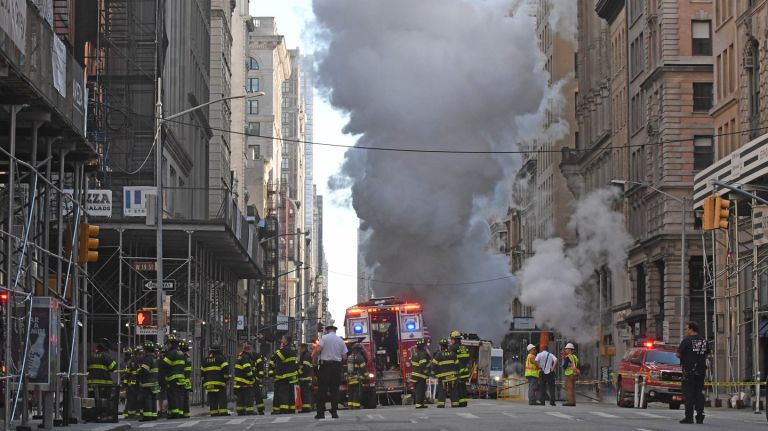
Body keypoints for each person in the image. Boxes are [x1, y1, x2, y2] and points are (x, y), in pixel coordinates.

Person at [312, 324, 348, 419]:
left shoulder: (324, 338)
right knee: (334, 390)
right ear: (335, 331)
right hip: (336, 367)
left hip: (325, 366)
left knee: (322, 390)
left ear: (327, 330)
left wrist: (314, 358)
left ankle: (321, 413)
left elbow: (318, 350)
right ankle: (334, 412)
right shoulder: (340, 340)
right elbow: (344, 356)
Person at [676, 321, 708, 424]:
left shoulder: (686, 341)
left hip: (689, 371)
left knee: (688, 395)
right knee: (699, 393)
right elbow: (706, 353)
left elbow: (678, 354)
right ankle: (700, 415)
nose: (685, 331)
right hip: (701, 371)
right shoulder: (704, 341)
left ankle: (689, 417)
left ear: (691, 329)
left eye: (686, 329)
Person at [87, 338, 117, 422]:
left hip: (91, 383)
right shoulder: (105, 356)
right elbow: (113, 367)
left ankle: (93, 416)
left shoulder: (91, 356)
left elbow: (87, 368)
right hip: (103, 384)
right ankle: (102, 415)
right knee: (104, 401)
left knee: (93, 400)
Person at [269, 335, 298, 415]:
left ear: (286, 341)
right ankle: (291, 409)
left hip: (284, 377)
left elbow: (276, 357)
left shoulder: (285, 350)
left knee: (283, 394)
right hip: (290, 377)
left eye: (282, 339)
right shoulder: (292, 349)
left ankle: (283, 410)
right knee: (290, 394)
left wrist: (279, 349)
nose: (281, 340)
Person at [160, 336, 187, 419]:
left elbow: (164, 365)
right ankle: (180, 412)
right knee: (180, 396)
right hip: (181, 378)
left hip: (173, 379)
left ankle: (174, 413)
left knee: (173, 396)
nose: (167, 346)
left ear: (171, 344)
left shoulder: (171, 353)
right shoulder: (181, 353)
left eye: (167, 344)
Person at [202, 345, 230, 416]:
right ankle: (223, 412)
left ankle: (213, 412)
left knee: (212, 398)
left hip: (208, 383)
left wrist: (204, 381)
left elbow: (202, 372)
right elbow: (225, 369)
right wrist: (226, 378)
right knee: (222, 397)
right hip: (219, 382)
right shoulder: (221, 358)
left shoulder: (206, 359)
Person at [432, 338, 458, 408]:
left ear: (441, 346)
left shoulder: (438, 354)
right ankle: (455, 404)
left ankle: (441, 404)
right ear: (447, 345)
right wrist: (457, 374)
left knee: (442, 390)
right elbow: (457, 364)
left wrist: (434, 373)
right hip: (452, 376)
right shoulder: (453, 354)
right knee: (453, 390)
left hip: (442, 377)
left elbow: (434, 365)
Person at [137, 342, 159, 421]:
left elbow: (144, 371)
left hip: (147, 383)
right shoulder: (154, 358)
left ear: (146, 350)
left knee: (147, 399)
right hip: (154, 383)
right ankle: (154, 415)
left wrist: (138, 371)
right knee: (153, 399)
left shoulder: (147, 359)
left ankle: (147, 416)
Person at [234, 342, 256, 416]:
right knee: (248, 397)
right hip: (245, 381)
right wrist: (251, 377)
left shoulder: (240, 356)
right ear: (249, 350)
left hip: (239, 381)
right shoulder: (246, 357)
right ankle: (250, 411)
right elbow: (247, 368)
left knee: (240, 397)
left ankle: (240, 411)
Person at [450, 331, 470, 407]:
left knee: (457, 387)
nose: (451, 340)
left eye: (452, 339)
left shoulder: (453, 347)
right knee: (463, 387)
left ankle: (459, 402)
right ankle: (464, 402)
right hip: (465, 371)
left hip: (457, 371)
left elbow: (451, 359)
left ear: (455, 339)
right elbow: (467, 359)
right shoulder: (464, 347)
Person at [409, 339, 430, 409]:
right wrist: (427, 371)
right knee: (420, 390)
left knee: (418, 390)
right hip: (420, 375)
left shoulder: (416, 353)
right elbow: (422, 364)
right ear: (423, 346)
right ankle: (419, 404)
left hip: (415, 375)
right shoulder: (422, 353)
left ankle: (420, 404)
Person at [346, 343, 367, 409]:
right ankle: (356, 405)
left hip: (350, 378)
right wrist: (366, 375)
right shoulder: (360, 357)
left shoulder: (349, 357)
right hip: (357, 378)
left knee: (350, 392)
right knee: (356, 392)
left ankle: (350, 405)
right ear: (359, 350)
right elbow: (363, 368)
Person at [121, 347, 140, 419]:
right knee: (131, 400)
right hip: (132, 384)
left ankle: (131, 414)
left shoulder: (133, 361)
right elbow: (127, 373)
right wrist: (126, 385)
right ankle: (129, 414)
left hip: (134, 384)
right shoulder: (132, 361)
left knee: (133, 400)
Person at [297, 343, 315, 413]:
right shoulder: (304, 355)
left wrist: (299, 372)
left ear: (303, 348)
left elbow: (305, 368)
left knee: (305, 393)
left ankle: (306, 408)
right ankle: (305, 408)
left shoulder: (306, 356)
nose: (299, 350)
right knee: (304, 393)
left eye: (300, 348)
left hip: (305, 378)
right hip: (304, 378)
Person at [178, 340, 192, 418]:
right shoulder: (188, 357)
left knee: (181, 397)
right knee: (185, 398)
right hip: (186, 381)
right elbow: (188, 371)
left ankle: (181, 413)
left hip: (182, 380)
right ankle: (186, 413)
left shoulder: (182, 357)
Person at [252, 349, 266, 415]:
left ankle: (260, 410)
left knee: (257, 395)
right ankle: (249, 410)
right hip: (248, 380)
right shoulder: (244, 356)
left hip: (255, 380)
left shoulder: (255, 356)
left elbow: (260, 367)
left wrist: (258, 377)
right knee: (249, 396)